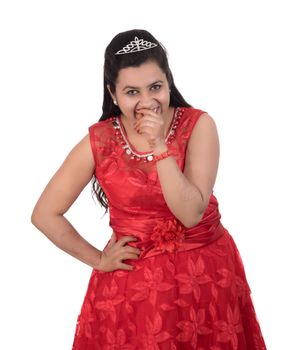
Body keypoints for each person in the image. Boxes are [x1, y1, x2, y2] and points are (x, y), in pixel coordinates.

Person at [31, 29, 267, 349]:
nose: (147, 102)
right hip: (133, 291)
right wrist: (99, 260)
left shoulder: (199, 126)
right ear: (113, 94)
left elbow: (190, 213)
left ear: (169, 82)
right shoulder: (99, 140)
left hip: (206, 276)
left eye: (155, 87)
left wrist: (159, 146)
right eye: (131, 92)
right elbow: (45, 214)